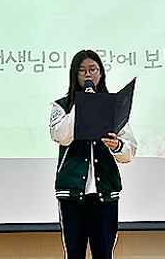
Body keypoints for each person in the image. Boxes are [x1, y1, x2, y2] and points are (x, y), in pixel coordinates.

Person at [49, 49, 137, 259]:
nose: (88, 75)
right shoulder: (62, 106)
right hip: (72, 194)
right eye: (82, 71)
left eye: (93, 69)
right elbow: (60, 135)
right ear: (75, 74)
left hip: (105, 193)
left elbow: (129, 151)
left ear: (101, 73)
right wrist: (82, 105)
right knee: (74, 254)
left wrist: (117, 146)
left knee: (104, 253)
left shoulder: (112, 105)